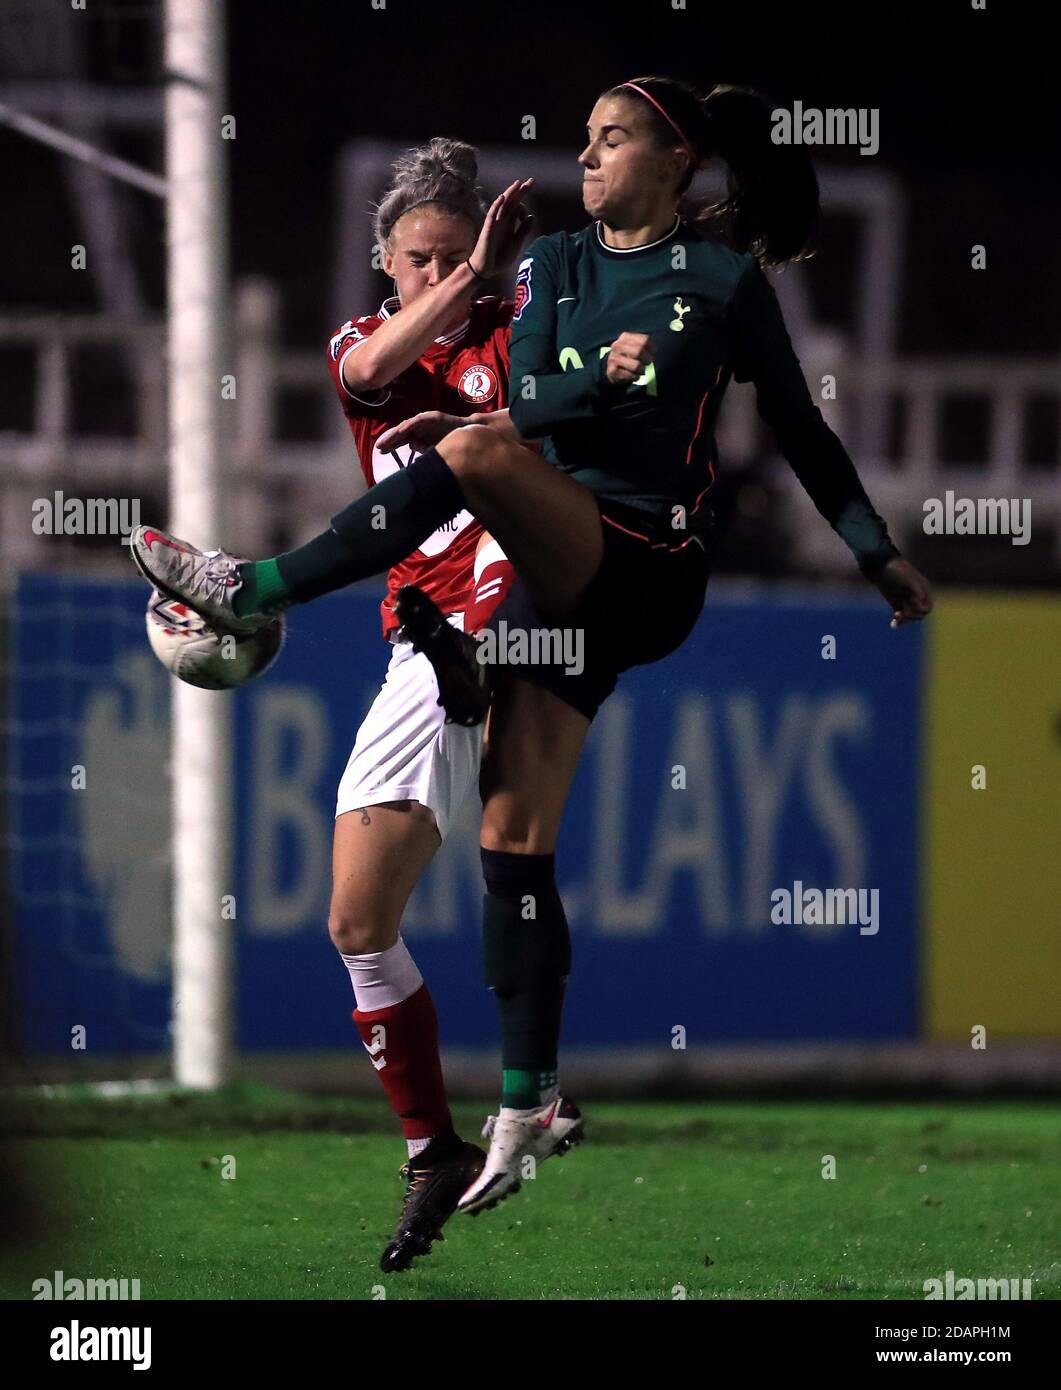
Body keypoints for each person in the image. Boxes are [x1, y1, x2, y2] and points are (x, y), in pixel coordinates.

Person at [131, 76, 933, 1217]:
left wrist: (871, 547)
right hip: (555, 591)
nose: (590, 158)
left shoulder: (720, 280)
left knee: (465, 457)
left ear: (674, 158)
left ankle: (251, 583)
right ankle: (527, 1102)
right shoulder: (551, 266)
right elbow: (538, 389)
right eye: (587, 140)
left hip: (647, 559)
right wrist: (569, 391)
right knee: (511, 841)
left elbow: (798, 424)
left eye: (612, 140)